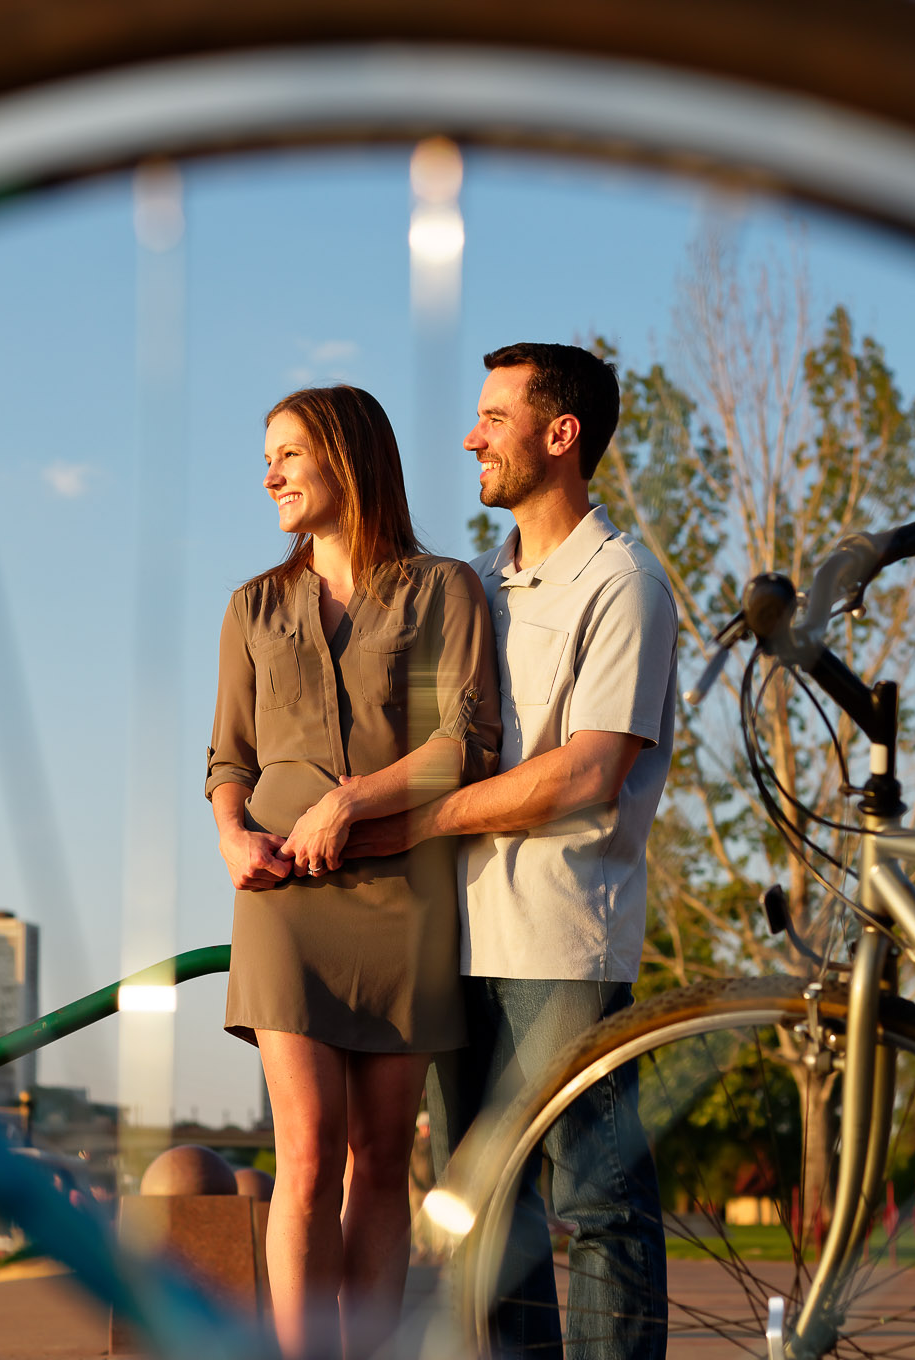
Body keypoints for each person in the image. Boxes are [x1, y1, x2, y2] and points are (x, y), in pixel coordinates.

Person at [348, 343, 678, 1360]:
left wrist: (427, 820)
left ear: (558, 434)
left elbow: (588, 772)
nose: (469, 437)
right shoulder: (464, 585)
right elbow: (415, 750)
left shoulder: (622, 583)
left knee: (595, 1200)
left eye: (492, 417)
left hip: (557, 939)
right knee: (477, 1210)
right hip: (448, 940)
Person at [206, 384, 502, 1360]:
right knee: (306, 1152)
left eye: (288, 453)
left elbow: (460, 744)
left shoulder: (438, 590)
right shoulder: (253, 605)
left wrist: (352, 798)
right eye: (267, 456)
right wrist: (231, 835)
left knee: (380, 1162)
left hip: (401, 896)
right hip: (281, 899)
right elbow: (229, 760)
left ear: (346, 455)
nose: (270, 474)